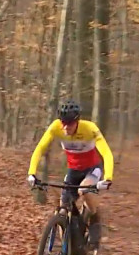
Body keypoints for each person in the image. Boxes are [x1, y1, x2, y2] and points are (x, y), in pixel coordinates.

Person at [26, 100, 114, 246]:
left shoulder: (90, 128)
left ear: (77, 121)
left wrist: (108, 177)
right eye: (63, 122)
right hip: (73, 170)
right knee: (62, 210)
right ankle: (66, 251)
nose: (65, 127)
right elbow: (40, 148)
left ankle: (95, 218)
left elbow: (106, 153)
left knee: (84, 190)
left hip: (92, 168)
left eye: (70, 123)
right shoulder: (56, 127)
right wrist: (32, 173)